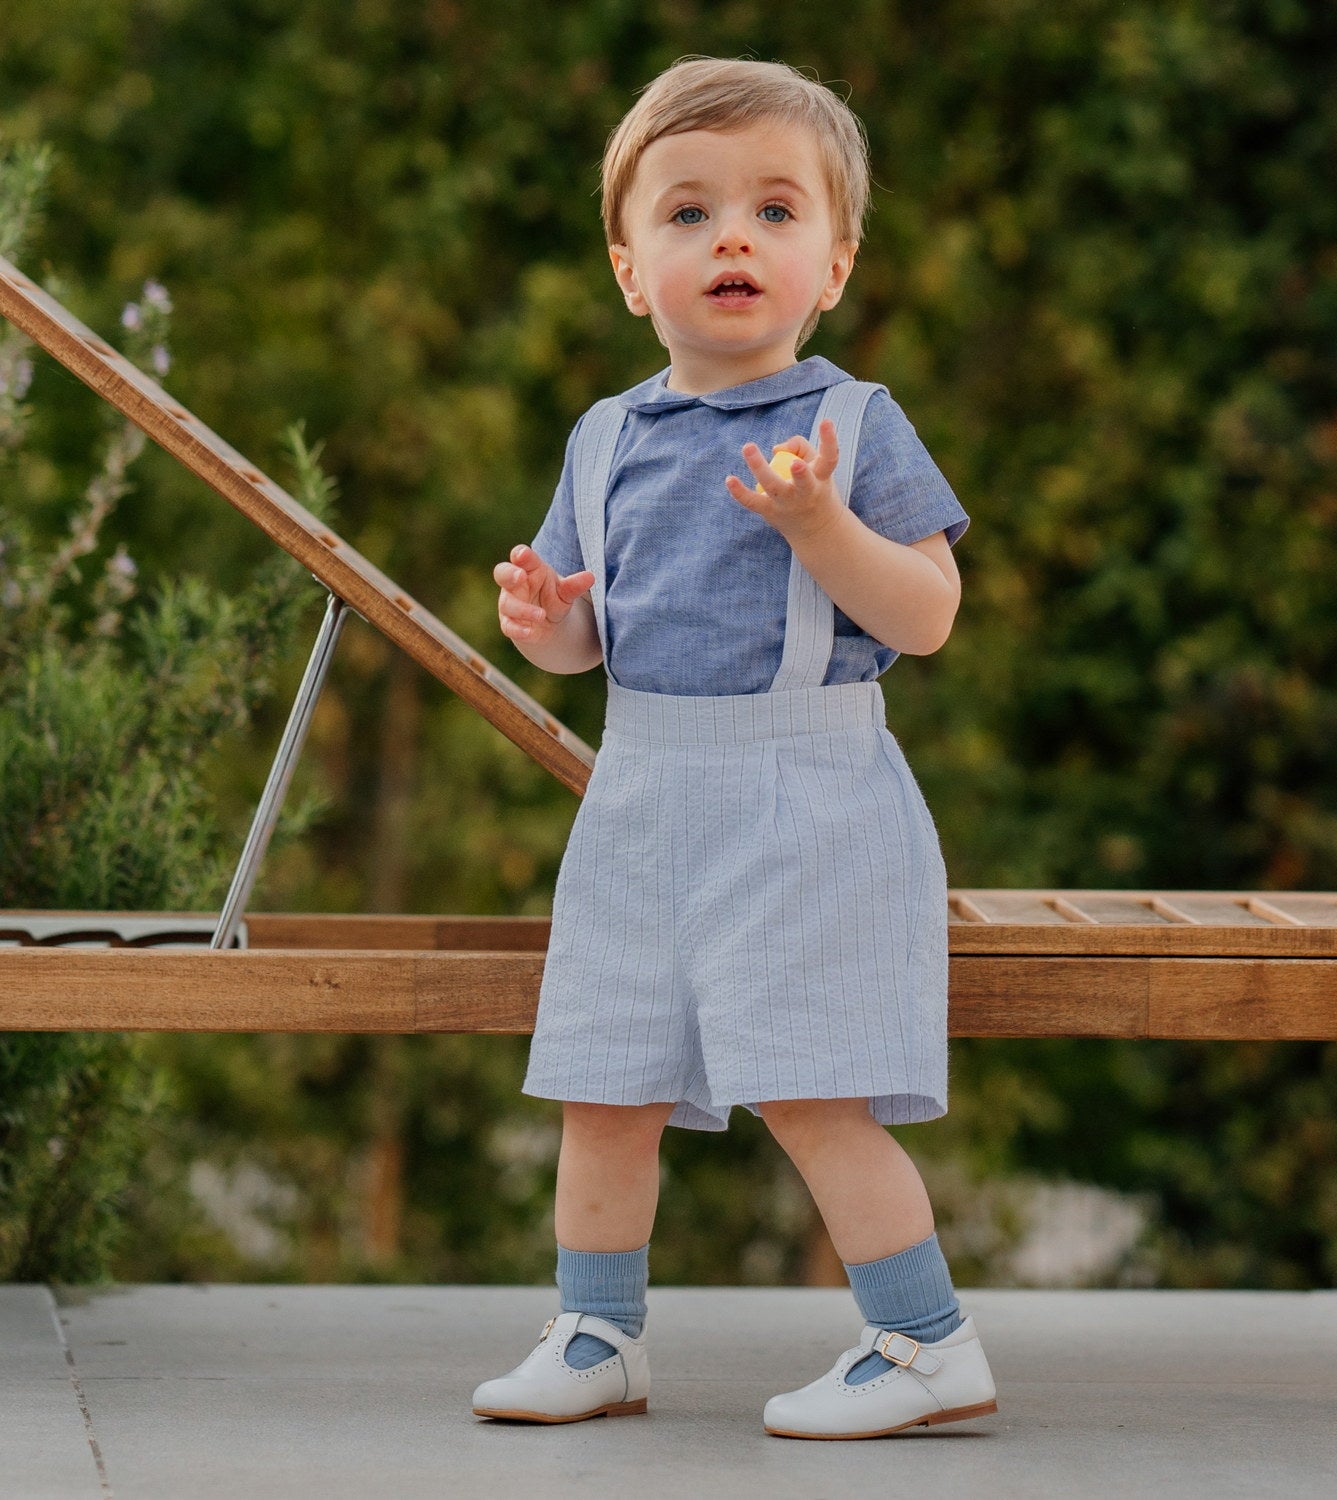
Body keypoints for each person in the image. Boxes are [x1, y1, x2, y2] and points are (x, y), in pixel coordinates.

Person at [470, 54, 997, 1440]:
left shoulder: (852, 425)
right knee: (605, 1075)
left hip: (803, 791)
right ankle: (598, 1330)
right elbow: (597, 640)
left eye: (774, 210)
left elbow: (930, 615)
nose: (733, 241)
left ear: (834, 263)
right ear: (631, 269)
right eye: (689, 214)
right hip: (643, 789)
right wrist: (548, 626)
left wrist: (827, 531)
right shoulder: (604, 435)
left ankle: (924, 1337)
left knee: (810, 1083)